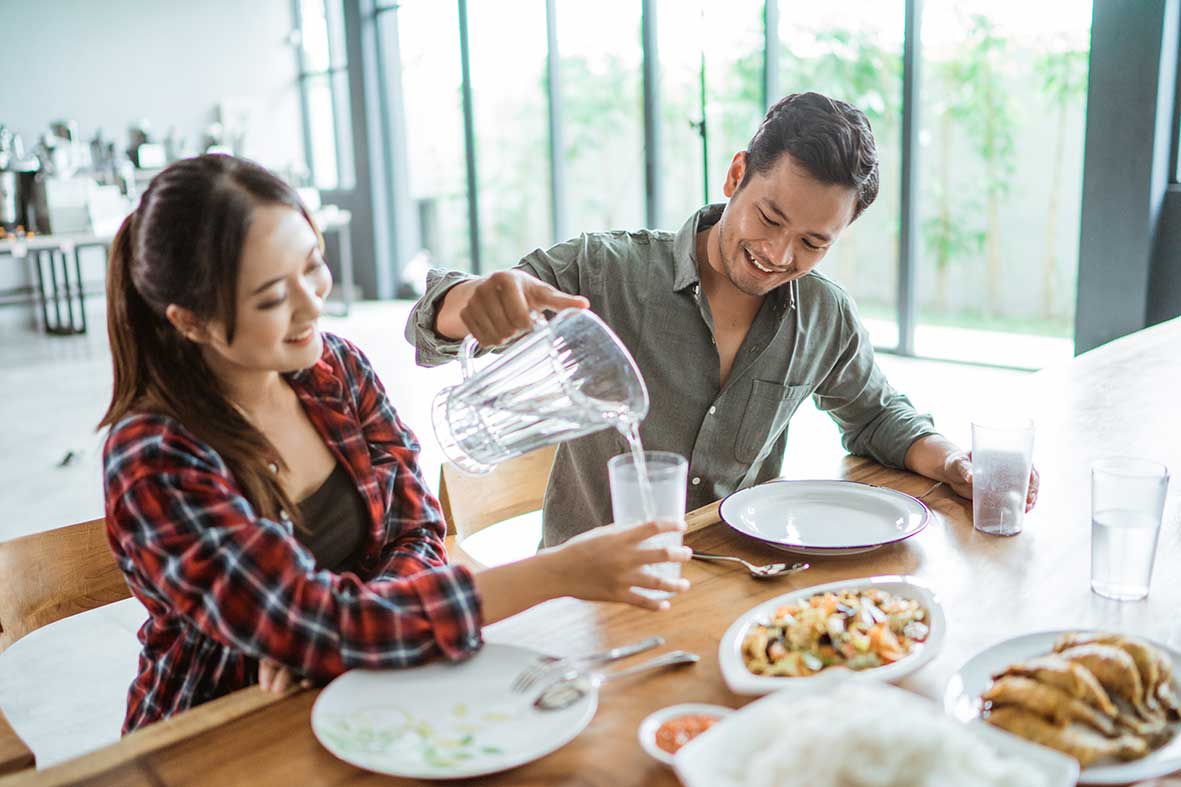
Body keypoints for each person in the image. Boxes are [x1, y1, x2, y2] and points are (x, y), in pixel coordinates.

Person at [99, 154, 690, 732]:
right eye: (272, 297)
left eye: (313, 265)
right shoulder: (153, 459)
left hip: (375, 694)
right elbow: (319, 623)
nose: (312, 303)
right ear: (191, 321)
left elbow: (417, 530)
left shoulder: (335, 371)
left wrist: (342, 639)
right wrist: (553, 573)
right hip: (221, 726)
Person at [406, 92, 1039, 547]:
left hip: (738, 579)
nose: (779, 255)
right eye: (769, 217)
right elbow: (429, 326)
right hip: (588, 597)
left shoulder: (823, 314)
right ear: (737, 174)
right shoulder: (606, 271)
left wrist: (954, 463)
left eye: (813, 242)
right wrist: (473, 301)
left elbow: (876, 417)